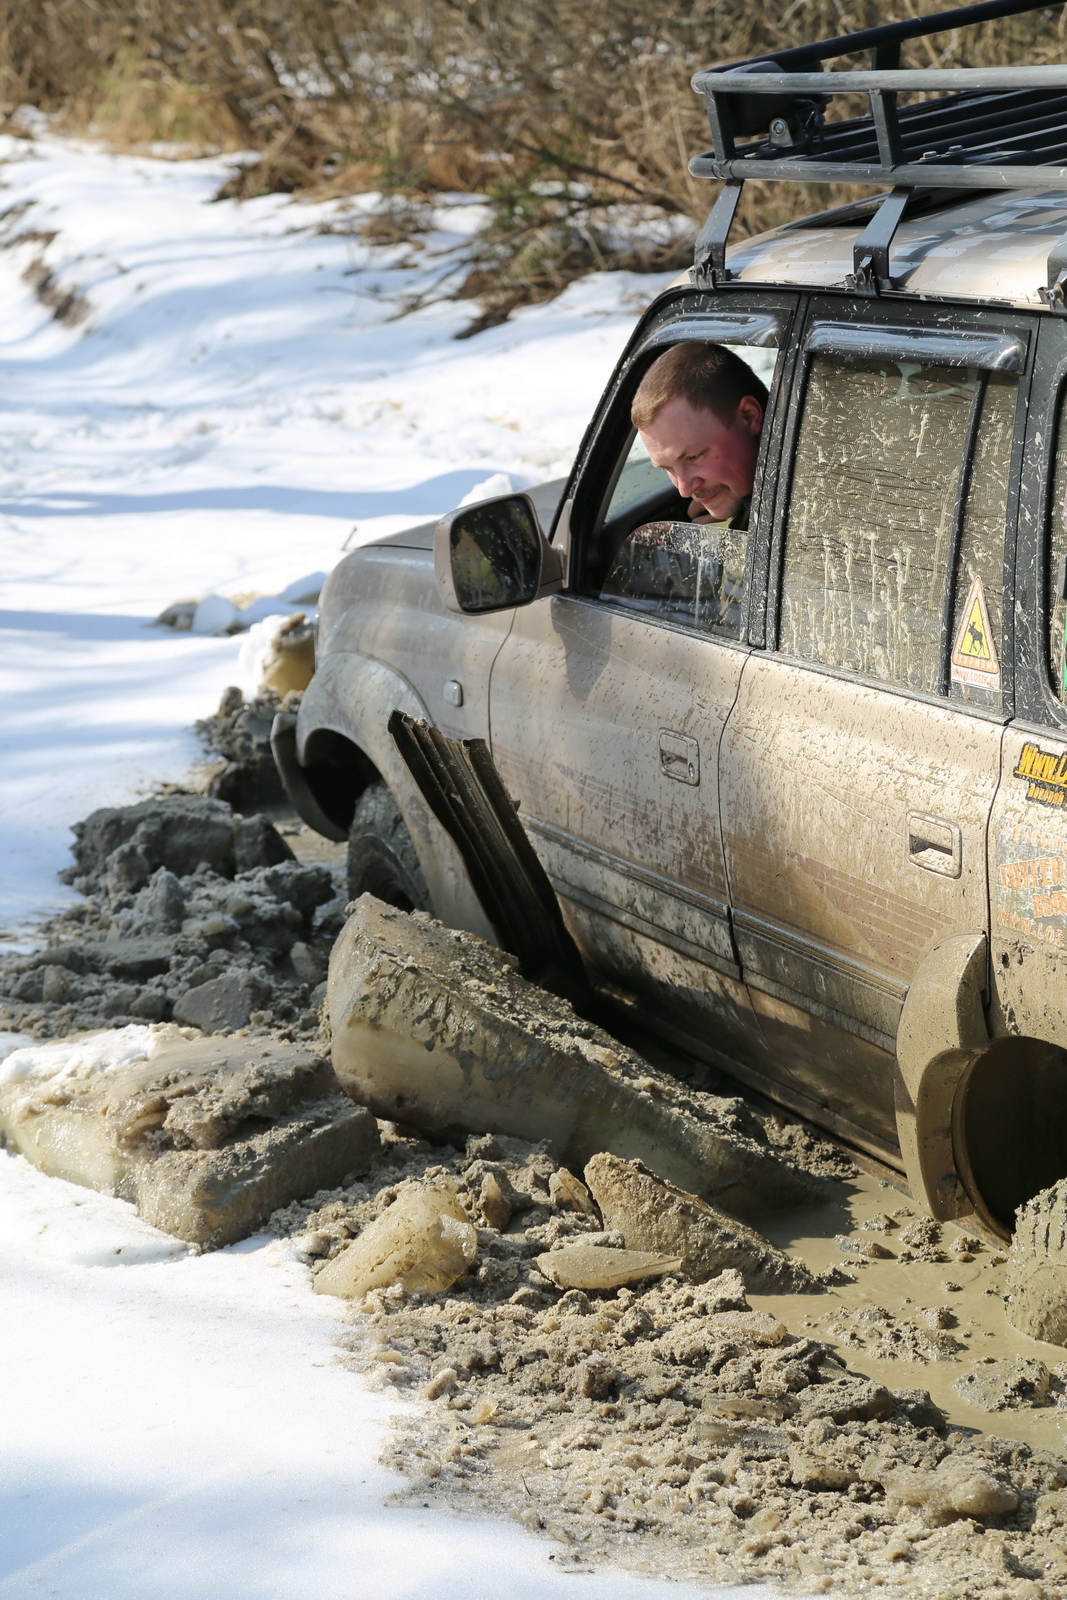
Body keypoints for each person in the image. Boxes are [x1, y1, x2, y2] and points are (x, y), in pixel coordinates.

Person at [630, 341, 767, 528]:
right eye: (667, 468)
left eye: (694, 457)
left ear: (749, 417)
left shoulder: (810, 502)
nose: (685, 490)